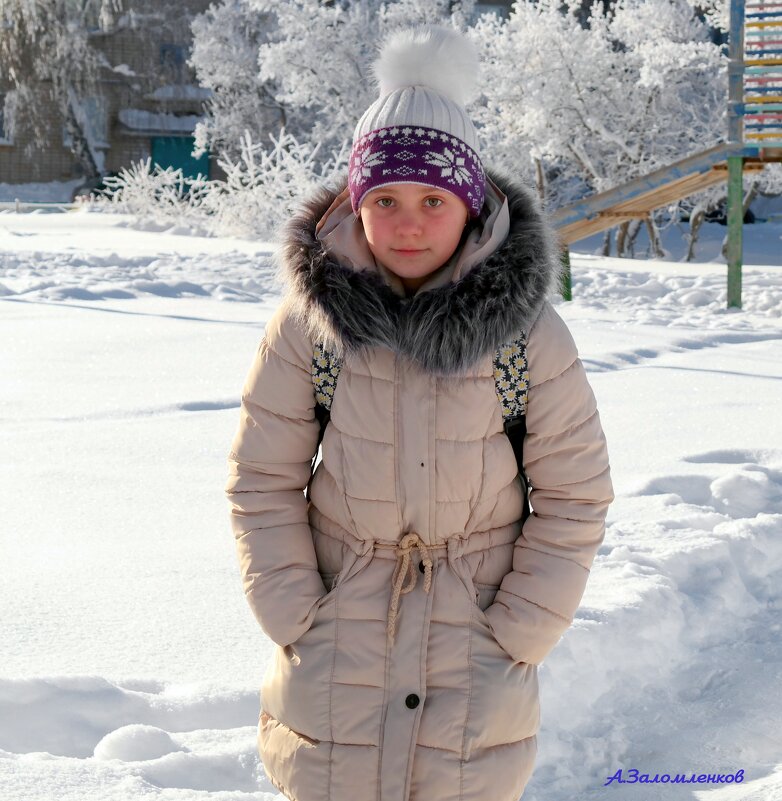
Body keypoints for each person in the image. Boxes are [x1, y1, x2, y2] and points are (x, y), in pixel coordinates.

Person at [225, 24, 613, 801]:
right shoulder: (310, 328)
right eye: (386, 199)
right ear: (355, 204)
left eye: (433, 199)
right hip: (340, 646)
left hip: (473, 652)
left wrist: (519, 628)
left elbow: (575, 492)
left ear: (469, 205)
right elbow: (260, 477)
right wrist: (296, 608)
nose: (408, 222)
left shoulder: (527, 335)